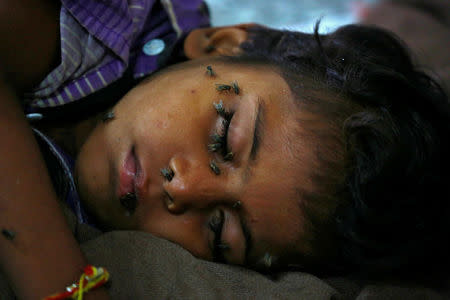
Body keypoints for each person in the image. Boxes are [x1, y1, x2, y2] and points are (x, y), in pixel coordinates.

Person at [1, 0, 449, 299]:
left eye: (219, 233)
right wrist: (63, 282)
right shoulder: (100, 27)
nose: (184, 188)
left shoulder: (104, 234)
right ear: (219, 45)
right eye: (223, 135)